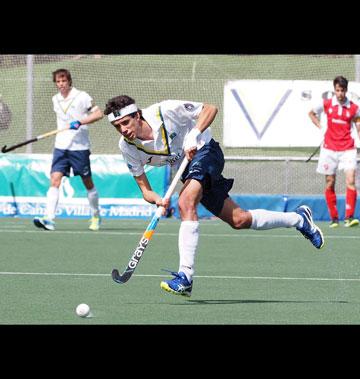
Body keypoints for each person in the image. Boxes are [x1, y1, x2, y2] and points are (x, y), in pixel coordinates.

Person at [104, 95, 324, 297]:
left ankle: (185, 276)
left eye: (125, 122)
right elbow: (145, 189)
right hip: (190, 171)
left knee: (185, 201)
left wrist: (193, 134)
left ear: (137, 115)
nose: (123, 130)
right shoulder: (127, 147)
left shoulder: (166, 110)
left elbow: (210, 108)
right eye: (117, 126)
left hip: (206, 151)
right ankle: (299, 219)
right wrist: (157, 200)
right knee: (239, 219)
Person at [33, 69, 103, 231]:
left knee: (88, 183)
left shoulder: (82, 96)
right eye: (58, 81)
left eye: (63, 81)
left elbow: (99, 114)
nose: (61, 84)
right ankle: (49, 218)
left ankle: (96, 215)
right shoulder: (55, 99)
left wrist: (81, 122)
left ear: (69, 81)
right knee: (55, 180)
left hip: (80, 148)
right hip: (61, 147)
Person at [309, 75, 360, 228]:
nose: (340, 93)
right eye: (337, 90)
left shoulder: (353, 107)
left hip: (348, 149)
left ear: (346, 90)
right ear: (334, 90)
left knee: (351, 180)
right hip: (329, 149)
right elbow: (311, 113)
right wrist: (321, 127)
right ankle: (334, 218)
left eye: (342, 90)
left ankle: (349, 217)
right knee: (330, 182)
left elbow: (358, 120)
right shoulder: (327, 104)